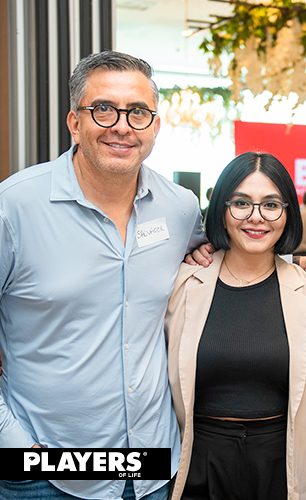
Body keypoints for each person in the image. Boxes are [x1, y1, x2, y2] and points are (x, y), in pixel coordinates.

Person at [0, 51, 205, 499]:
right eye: (104, 109)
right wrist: (12, 441)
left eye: (138, 112)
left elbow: (239, 253)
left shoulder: (181, 208)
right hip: (46, 474)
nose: (122, 126)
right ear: (75, 122)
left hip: (156, 473)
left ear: (155, 125)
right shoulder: (12, 208)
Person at [165, 152, 306, 500]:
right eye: (241, 203)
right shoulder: (182, 283)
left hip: (284, 468)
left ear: (288, 214)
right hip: (200, 464)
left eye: (271, 205)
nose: (256, 218)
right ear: (221, 211)